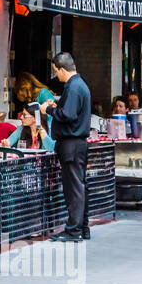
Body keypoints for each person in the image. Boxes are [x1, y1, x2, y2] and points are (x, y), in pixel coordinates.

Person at [43, 52, 92, 242]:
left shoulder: (73, 87)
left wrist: (48, 109)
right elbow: (71, 111)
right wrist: (57, 104)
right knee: (79, 186)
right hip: (77, 144)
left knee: (74, 188)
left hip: (71, 143)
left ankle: (73, 231)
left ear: (62, 69)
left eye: (56, 71)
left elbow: (68, 115)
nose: (57, 75)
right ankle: (82, 228)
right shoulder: (79, 86)